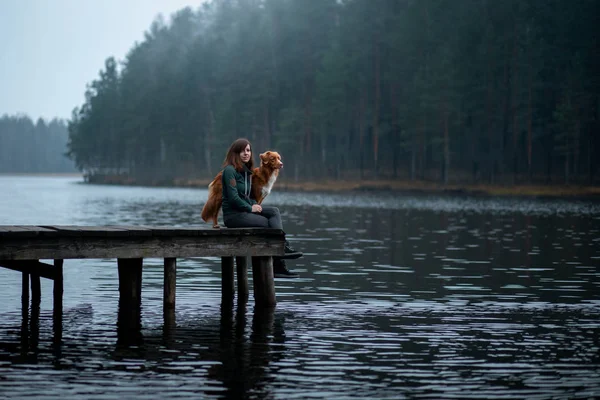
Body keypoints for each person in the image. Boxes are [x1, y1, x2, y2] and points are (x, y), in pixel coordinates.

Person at [220, 138, 302, 278]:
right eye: (242, 150)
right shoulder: (229, 171)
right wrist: (250, 208)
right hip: (233, 216)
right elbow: (233, 199)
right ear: (235, 153)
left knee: (274, 211)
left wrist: (253, 203)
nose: (246, 153)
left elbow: (245, 196)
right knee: (268, 224)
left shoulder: (245, 172)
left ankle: (282, 249)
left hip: (244, 211)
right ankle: (279, 261)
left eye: (248, 150)